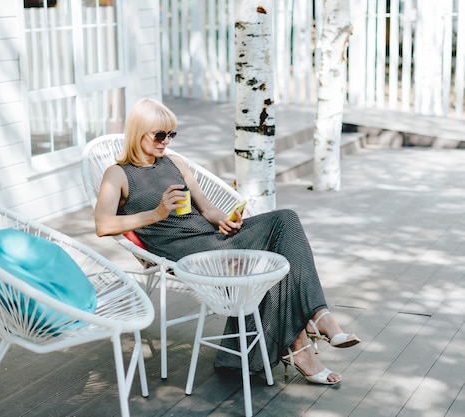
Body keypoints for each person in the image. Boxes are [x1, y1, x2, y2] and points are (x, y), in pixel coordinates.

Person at [94, 98, 361, 385]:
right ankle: (300, 342)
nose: (166, 142)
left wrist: (225, 220)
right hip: (182, 252)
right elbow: (103, 225)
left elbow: (207, 209)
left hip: (212, 238)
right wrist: (157, 213)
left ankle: (318, 316)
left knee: (286, 219)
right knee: (268, 257)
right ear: (138, 133)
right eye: (160, 135)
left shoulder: (175, 163)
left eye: (172, 134)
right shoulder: (118, 174)